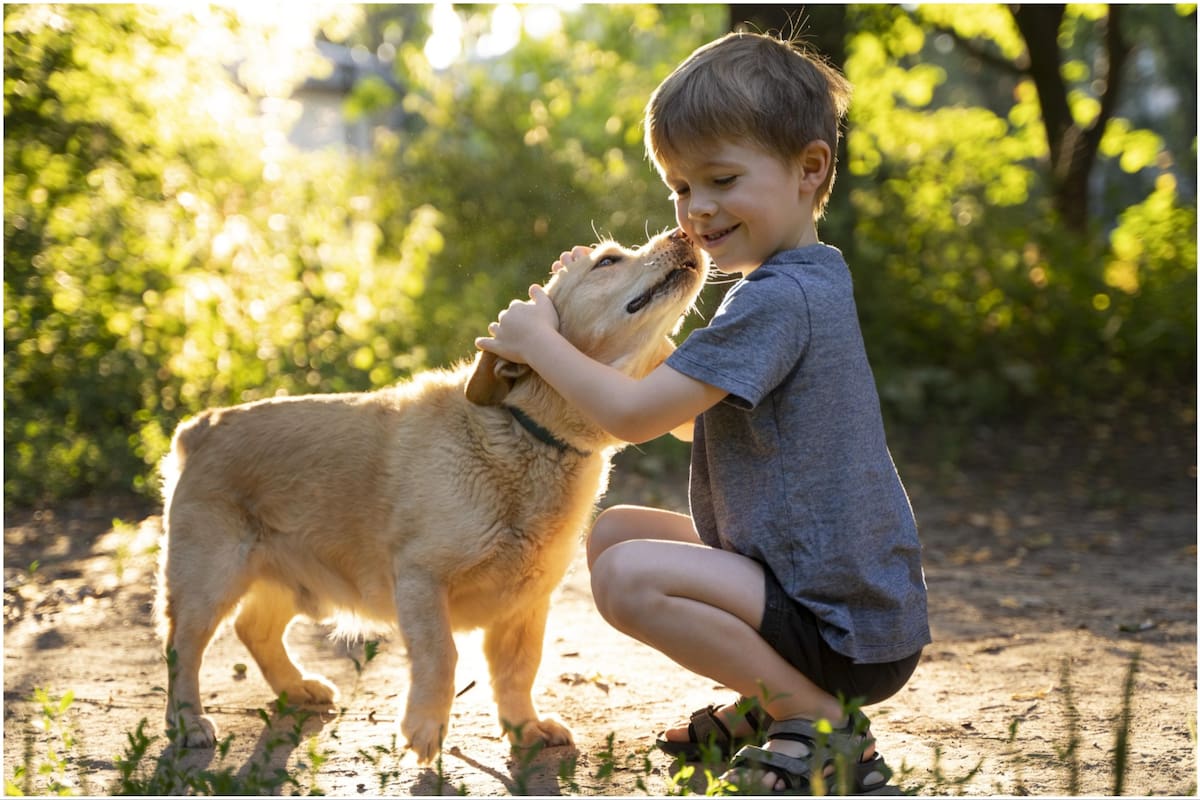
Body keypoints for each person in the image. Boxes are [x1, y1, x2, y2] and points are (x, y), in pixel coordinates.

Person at [475, 30, 929, 794]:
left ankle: (817, 723)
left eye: (720, 179)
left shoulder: (780, 300)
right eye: (681, 188)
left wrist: (544, 342)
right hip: (825, 586)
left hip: (842, 624)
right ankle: (773, 700)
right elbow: (692, 415)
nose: (697, 210)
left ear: (809, 167)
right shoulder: (798, 281)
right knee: (616, 530)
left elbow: (636, 419)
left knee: (626, 580)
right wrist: (595, 310)